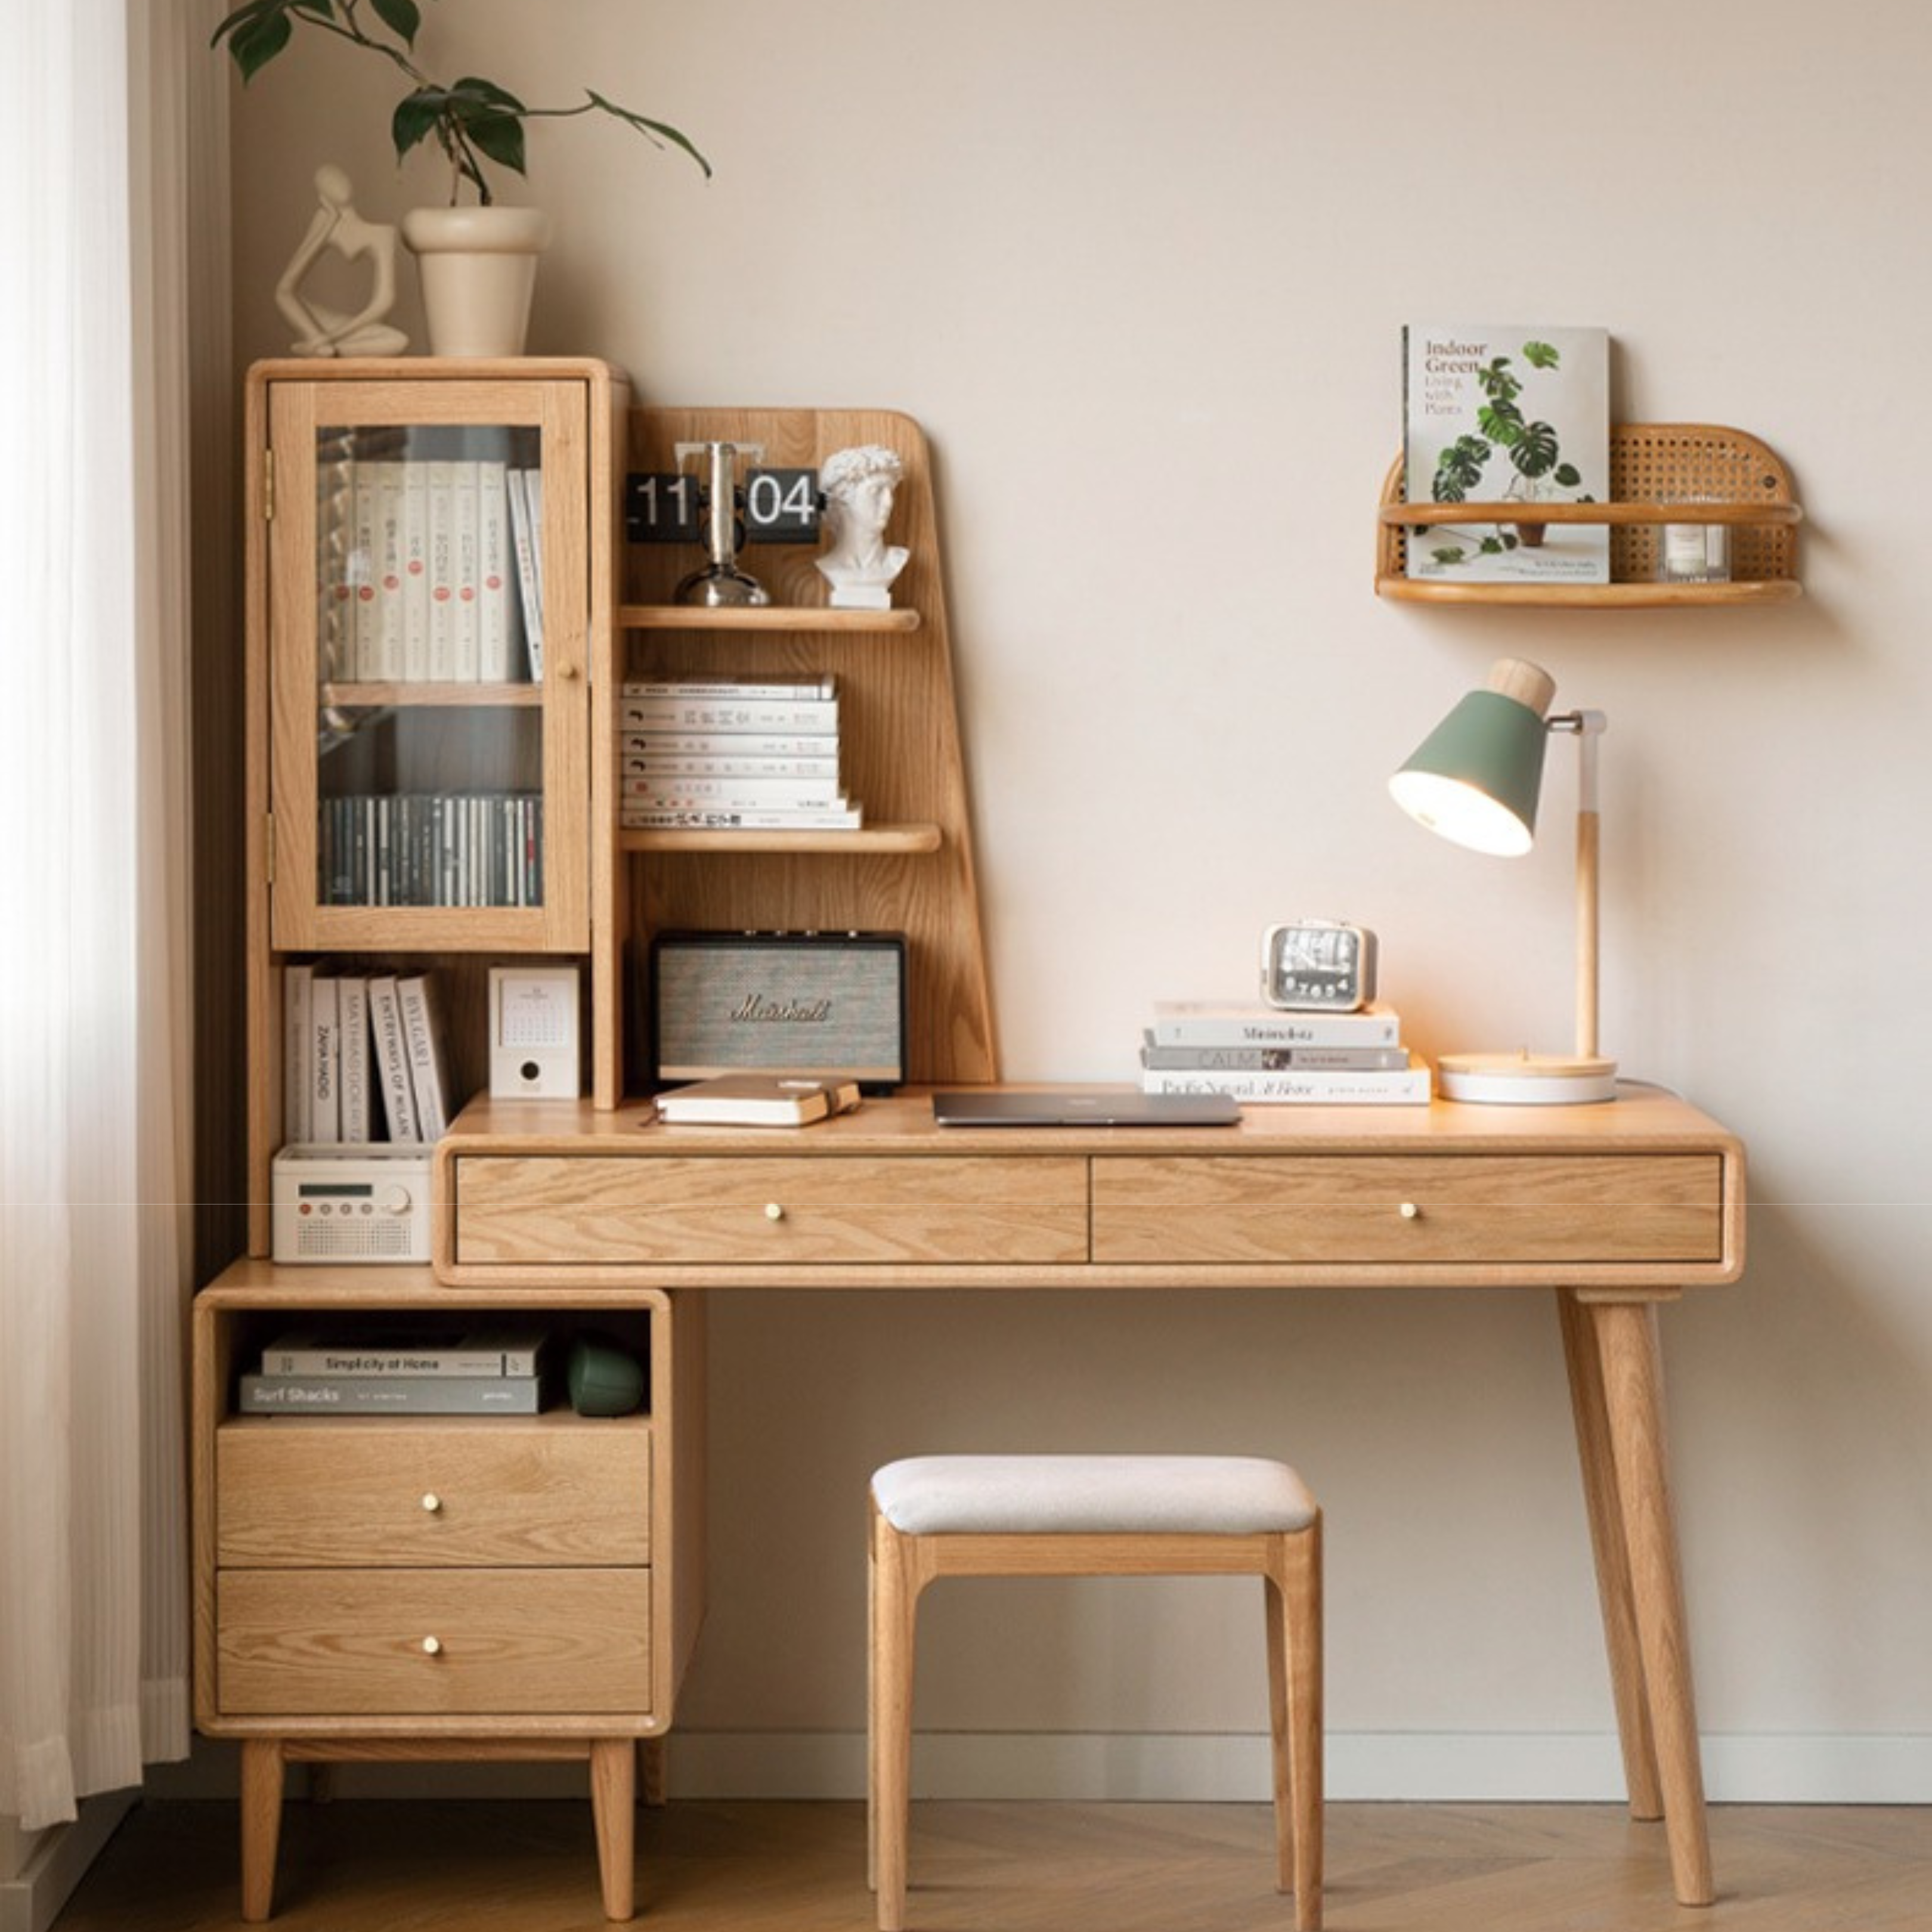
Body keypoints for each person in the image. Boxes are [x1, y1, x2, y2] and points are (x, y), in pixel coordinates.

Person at [275, 165, 410, 357]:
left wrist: (331, 337)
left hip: (350, 330)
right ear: (323, 195)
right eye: (327, 182)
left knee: (398, 341)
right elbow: (285, 289)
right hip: (321, 325)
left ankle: (322, 349)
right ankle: (321, 346)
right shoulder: (323, 222)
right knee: (283, 297)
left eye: (339, 177)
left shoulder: (383, 234)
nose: (337, 184)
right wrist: (329, 223)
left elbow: (382, 304)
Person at [815, 445, 909, 608]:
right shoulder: (830, 566)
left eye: (890, 492)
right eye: (876, 491)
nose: (889, 503)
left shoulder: (895, 562)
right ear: (843, 498)